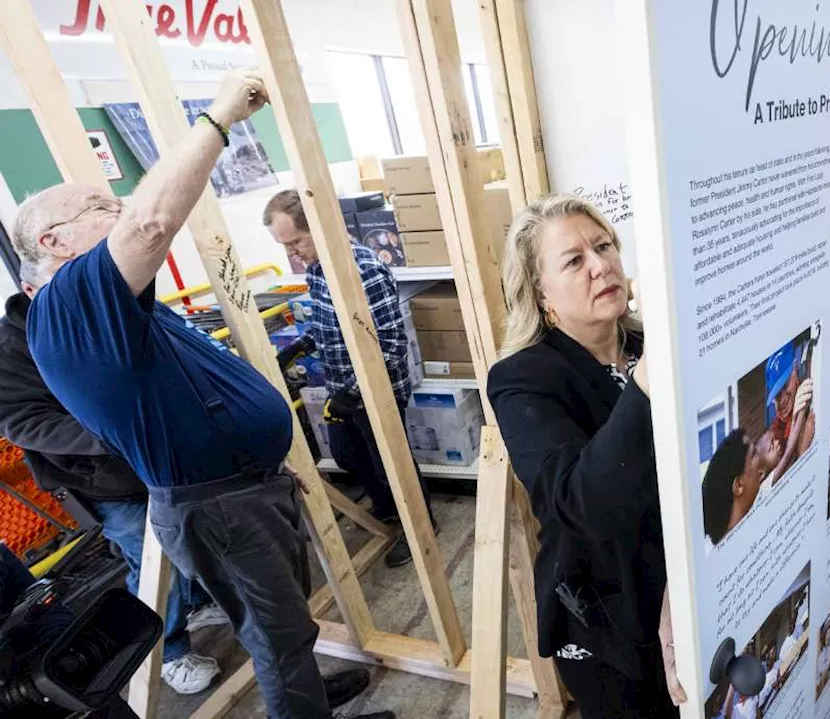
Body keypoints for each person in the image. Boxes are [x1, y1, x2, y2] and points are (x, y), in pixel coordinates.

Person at [14, 71, 388, 719]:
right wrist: (218, 117)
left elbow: (189, 394)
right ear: (53, 242)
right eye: (102, 208)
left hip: (238, 488)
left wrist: (259, 465)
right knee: (278, 630)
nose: (121, 213)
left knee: (282, 625)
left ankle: (305, 702)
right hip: (218, 504)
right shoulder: (69, 303)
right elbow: (153, 220)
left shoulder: (112, 306)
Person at [486, 194, 683, 717]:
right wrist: (645, 383)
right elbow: (582, 502)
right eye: (574, 261)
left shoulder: (648, 342)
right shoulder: (522, 379)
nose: (601, 266)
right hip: (605, 614)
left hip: (682, 580)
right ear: (541, 293)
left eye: (604, 246)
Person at [0, 286, 230, 694]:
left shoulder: (98, 312)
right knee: (151, 560)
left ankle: (195, 604)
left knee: (186, 537)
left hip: (155, 458)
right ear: (35, 289)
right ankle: (170, 652)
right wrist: (112, 433)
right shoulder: (12, 345)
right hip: (102, 479)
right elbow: (24, 422)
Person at [265, 189, 437, 569]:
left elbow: (388, 346)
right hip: (344, 388)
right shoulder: (316, 268)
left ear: (321, 228)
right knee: (346, 454)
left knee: (393, 464)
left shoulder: (363, 270)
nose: (293, 253)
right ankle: (389, 510)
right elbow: (330, 325)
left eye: (295, 242)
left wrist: (356, 394)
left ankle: (421, 528)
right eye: (286, 246)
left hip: (377, 392)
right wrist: (299, 346)